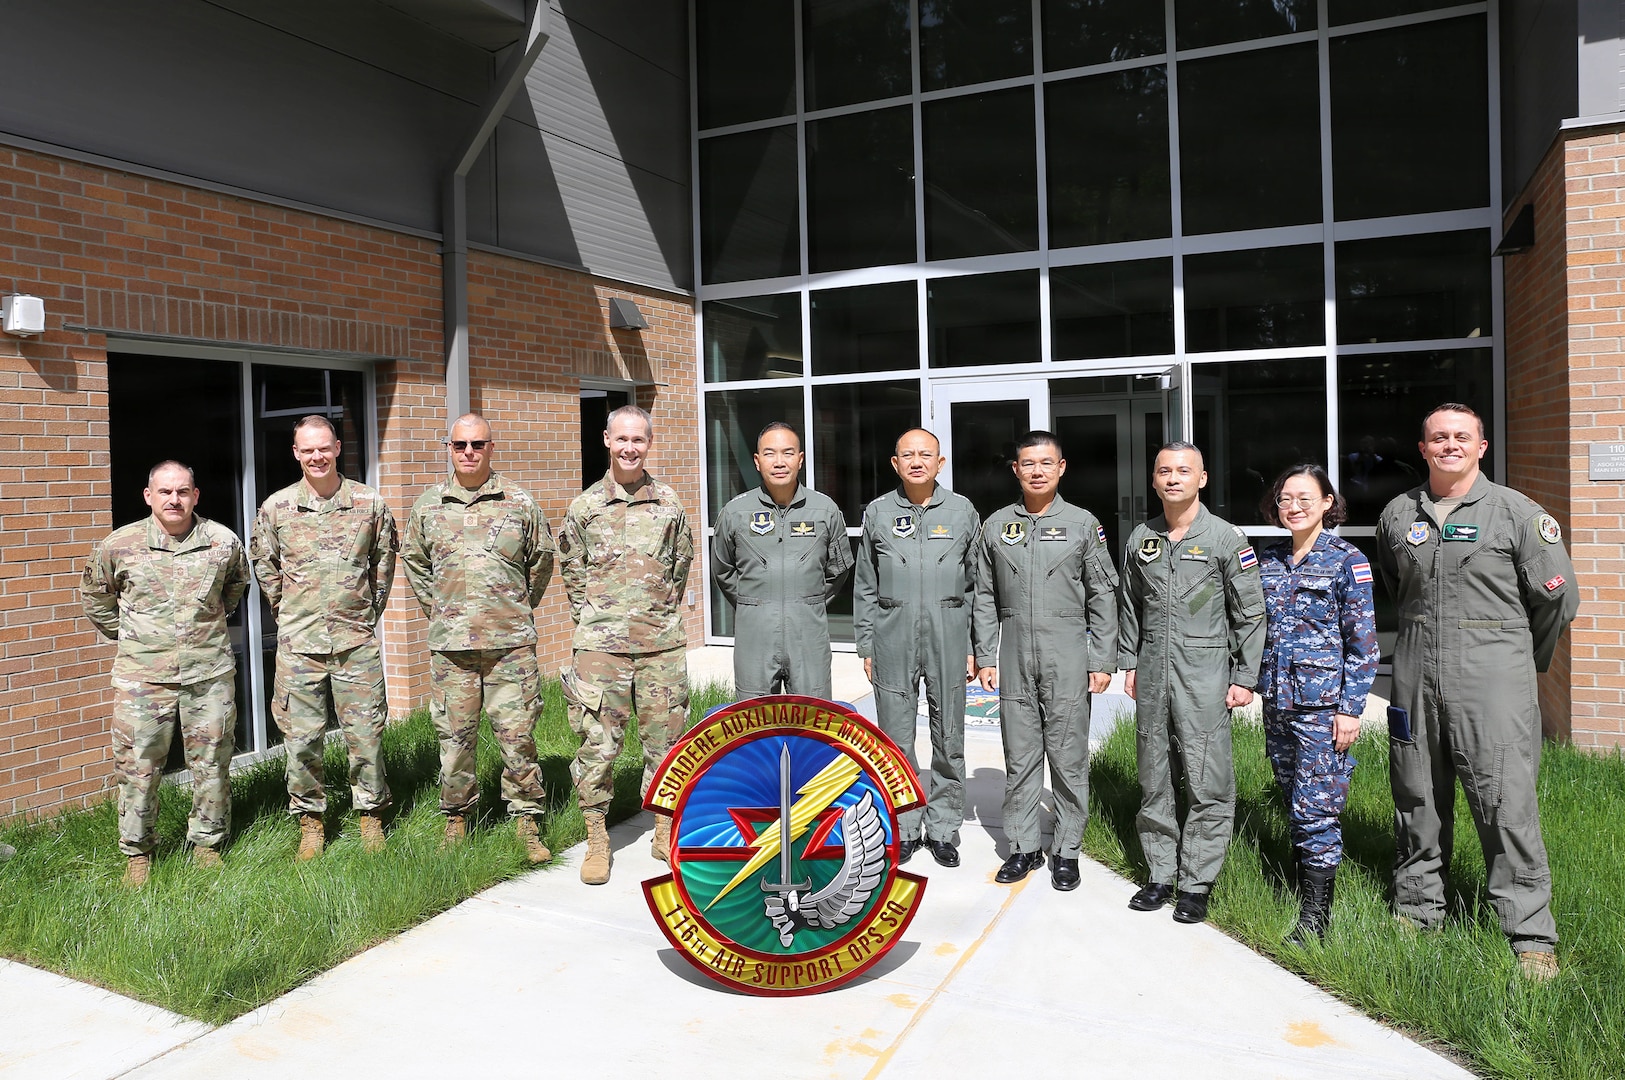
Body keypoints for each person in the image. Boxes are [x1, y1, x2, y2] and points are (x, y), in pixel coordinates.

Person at [1375, 403, 1578, 981]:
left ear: (1481, 446)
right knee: (1415, 791)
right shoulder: (1398, 514)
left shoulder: (1514, 512)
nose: (1449, 446)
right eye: (1438, 437)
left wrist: (1517, 657)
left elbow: (1559, 599)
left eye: (1461, 437)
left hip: (1492, 676)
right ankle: (1418, 907)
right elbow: (1398, 586)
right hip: (1415, 669)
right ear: (1423, 448)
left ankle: (1529, 933)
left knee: (1504, 799)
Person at [80, 460, 251, 886]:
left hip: (208, 675)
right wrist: (135, 638)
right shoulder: (119, 545)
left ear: (196, 495)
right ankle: (138, 853)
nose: (174, 499)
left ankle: (208, 845)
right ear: (148, 496)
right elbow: (96, 597)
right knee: (138, 767)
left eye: (183, 491)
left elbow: (235, 589)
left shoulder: (222, 541)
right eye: (165, 492)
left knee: (212, 762)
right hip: (143, 680)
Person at [1119, 442, 1265, 924]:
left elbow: (1249, 612)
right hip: (1153, 668)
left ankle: (1196, 882)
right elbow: (1130, 606)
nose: (1174, 478)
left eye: (1185, 470)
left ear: (1202, 479)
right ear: (1154, 480)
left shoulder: (1225, 538)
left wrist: (1244, 676)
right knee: (1153, 772)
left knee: (1208, 776)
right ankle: (1161, 874)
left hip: (1204, 672)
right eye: (1165, 471)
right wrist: (1130, 662)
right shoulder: (1142, 538)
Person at [402, 413, 554, 863]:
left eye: (478, 444)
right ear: (448, 448)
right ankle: (457, 817)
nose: (469, 452)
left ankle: (526, 819)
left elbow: (540, 563)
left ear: (492, 447)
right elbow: (414, 562)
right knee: (454, 738)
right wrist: (445, 612)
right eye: (460, 445)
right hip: (452, 649)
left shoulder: (520, 502)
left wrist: (512, 607)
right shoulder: (428, 505)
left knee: (518, 736)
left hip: (510, 646)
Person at [972, 431, 1118, 890]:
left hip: (1068, 650)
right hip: (1014, 651)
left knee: (1069, 756)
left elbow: (1102, 595)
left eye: (1046, 463)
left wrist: (1102, 659)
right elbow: (983, 594)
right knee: (1020, 755)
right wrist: (984, 653)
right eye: (1028, 463)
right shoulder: (996, 525)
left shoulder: (1082, 524)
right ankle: (1023, 847)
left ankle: (1067, 850)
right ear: (1016, 470)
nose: (1037, 471)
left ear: (1061, 468)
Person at [250, 415, 398, 860]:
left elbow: (383, 566)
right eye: (306, 449)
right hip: (299, 647)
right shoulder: (276, 508)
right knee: (301, 738)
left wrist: (362, 614)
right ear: (296, 453)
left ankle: (370, 813)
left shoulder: (368, 503)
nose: (316, 456)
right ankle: (310, 821)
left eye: (324, 447)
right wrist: (292, 616)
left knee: (365, 735)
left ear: (337, 448)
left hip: (355, 644)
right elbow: (266, 569)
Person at [558, 405, 694, 885]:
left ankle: (663, 828)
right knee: (597, 745)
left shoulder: (671, 505)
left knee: (668, 744)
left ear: (649, 443)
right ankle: (597, 837)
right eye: (622, 439)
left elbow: (679, 568)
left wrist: (651, 617)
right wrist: (601, 621)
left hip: (660, 646)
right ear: (606, 440)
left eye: (639, 439)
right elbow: (572, 571)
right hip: (600, 649)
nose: (630, 448)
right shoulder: (585, 507)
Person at [1255, 464, 1379, 941]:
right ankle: (1299, 885)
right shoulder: (1268, 561)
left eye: (1306, 497)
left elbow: (1364, 644)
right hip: (1279, 705)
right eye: (1286, 498)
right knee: (1292, 799)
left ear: (1328, 502)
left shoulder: (1346, 560)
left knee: (1317, 808)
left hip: (1323, 709)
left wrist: (1350, 709)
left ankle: (1315, 919)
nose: (1295, 506)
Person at [855, 428, 981, 867]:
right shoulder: (878, 512)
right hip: (893, 638)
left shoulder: (963, 511)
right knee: (895, 738)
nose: (916, 462)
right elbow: (865, 584)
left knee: (950, 736)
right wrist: (866, 642)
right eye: (906, 454)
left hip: (948, 636)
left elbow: (976, 587)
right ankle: (904, 827)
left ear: (940, 463)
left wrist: (975, 647)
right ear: (895, 463)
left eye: (925, 454)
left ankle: (944, 828)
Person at [712, 422, 852, 700]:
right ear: (756, 460)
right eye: (769, 453)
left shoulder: (825, 510)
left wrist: (807, 601)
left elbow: (838, 570)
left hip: (808, 635)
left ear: (800, 460)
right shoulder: (735, 512)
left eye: (788, 453)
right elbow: (722, 568)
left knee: (814, 719)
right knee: (754, 720)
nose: (779, 462)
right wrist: (755, 603)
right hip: (755, 637)